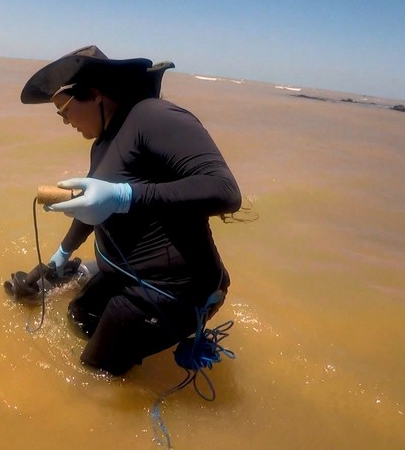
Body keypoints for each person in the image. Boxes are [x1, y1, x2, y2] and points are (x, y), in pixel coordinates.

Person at [20, 45, 241, 375]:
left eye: (63, 110)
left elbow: (225, 191)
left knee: (95, 373)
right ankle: (84, 273)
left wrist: (126, 196)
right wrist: (59, 257)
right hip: (124, 275)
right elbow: (95, 206)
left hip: (169, 291)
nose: (64, 121)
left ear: (94, 94)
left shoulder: (155, 117)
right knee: (78, 317)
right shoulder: (103, 142)